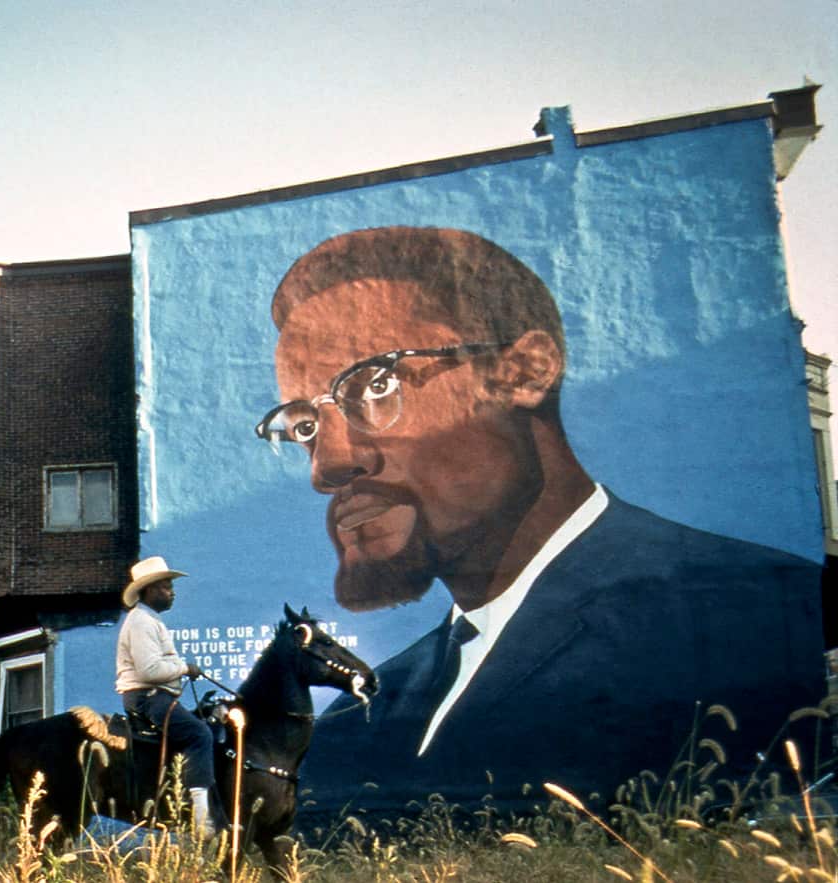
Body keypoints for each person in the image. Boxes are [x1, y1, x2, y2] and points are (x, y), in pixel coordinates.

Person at [254, 226, 824, 820]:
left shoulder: (754, 615)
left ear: (526, 371)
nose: (329, 464)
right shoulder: (356, 718)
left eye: (375, 384)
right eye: (304, 425)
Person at [115, 555, 219, 836]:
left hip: (154, 696)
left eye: (171, 587)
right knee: (200, 735)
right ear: (148, 590)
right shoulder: (141, 622)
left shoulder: (148, 620)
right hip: (148, 697)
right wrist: (185, 668)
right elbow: (149, 670)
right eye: (165, 587)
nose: (172, 592)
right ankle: (200, 819)